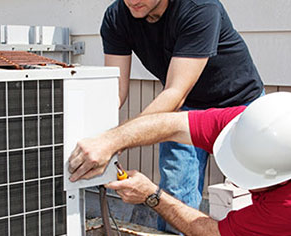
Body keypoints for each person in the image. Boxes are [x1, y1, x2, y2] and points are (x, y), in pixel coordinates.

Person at [68, 92, 291, 235]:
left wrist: (152, 195)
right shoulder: (250, 124)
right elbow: (171, 124)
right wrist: (111, 140)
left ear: (282, 178)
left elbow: (209, 231)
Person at [94, 0, 265, 231]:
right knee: (175, 197)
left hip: (239, 104)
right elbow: (116, 90)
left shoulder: (200, 7)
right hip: (185, 110)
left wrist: (118, 139)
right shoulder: (117, 17)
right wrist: (96, 133)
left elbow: (176, 92)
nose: (132, 0)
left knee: (262, 192)